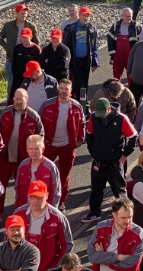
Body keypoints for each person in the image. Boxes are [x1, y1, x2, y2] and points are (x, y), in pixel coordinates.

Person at [84, 99, 138, 222]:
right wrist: (92, 151)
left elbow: (133, 136)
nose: (101, 116)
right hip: (98, 161)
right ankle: (95, 212)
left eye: (103, 113)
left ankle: (125, 214)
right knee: (96, 189)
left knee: (119, 190)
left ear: (109, 108)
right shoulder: (94, 117)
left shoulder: (121, 118)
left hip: (115, 162)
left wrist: (125, 154)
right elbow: (89, 134)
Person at [39, 79, 85, 210]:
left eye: (66, 89)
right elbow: (38, 123)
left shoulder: (77, 107)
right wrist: (41, 141)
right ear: (58, 89)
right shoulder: (46, 105)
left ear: (70, 91)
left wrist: (79, 140)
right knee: (44, 173)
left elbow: (82, 124)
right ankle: (43, 198)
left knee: (64, 176)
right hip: (49, 145)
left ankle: (61, 203)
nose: (63, 91)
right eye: (62, 88)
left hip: (67, 146)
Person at [0, 89, 43, 210]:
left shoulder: (34, 117)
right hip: (5, 158)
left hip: (23, 161)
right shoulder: (5, 113)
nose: (17, 102)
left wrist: (35, 156)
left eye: (20, 99)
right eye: (16, 99)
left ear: (26, 99)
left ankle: (21, 212)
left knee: (22, 189)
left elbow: (41, 137)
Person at [0, 4, 40, 95]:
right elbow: (0, 37)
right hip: (11, 60)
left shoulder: (31, 26)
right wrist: (7, 47)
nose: (24, 15)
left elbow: (36, 43)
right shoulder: (8, 26)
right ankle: (10, 102)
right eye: (22, 13)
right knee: (11, 84)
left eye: (25, 13)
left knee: (29, 84)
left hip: (27, 62)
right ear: (16, 14)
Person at [14, 136, 62, 209]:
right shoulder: (22, 165)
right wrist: (18, 208)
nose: (33, 152)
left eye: (36, 149)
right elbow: (17, 188)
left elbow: (56, 192)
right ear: (27, 149)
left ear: (42, 149)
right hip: (25, 208)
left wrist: (51, 210)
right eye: (31, 149)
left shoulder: (50, 167)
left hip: (43, 209)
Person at [63, 6, 99, 100]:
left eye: (87, 16)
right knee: (80, 84)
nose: (85, 18)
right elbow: (65, 45)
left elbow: (94, 46)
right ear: (79, 15)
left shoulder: (91, 29)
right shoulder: (70, 28)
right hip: (75, 61)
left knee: (85, 84)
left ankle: (82, 103)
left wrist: (95, 61)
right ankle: (83, 102)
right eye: (84, 15)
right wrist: (66, 60)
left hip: (86, 60)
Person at [108, 8, 142, 81]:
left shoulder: (137, 26)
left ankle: (131, 88)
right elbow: (110, 38)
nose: (128, 18)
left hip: (131, 56)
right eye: (126, 16)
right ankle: (116, 88)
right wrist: (112, 53)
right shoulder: (116, 26)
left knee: (131, 77)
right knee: (116, 78)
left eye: (130, 16)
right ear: (122, 16)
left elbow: (141, 41)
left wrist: (137, 55)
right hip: (117, 56)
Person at [11, 28, 43, 95]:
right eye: (23, 37)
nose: (24, 39)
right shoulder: (17, 48)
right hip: (18, 78)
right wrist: (16, 76)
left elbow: (39, 66)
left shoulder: (36, 49)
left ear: (31, 37)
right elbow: (14, 63)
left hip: (31, 79)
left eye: (26, 37)